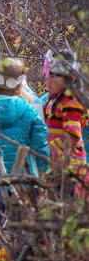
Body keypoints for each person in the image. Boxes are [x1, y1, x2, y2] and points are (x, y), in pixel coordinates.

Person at [0, 58, 49, 223]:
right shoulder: (28, 109)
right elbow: (40, 142)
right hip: (26, 176)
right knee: (26, 223)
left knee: (2, 222)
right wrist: (43, 169)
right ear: (20, 85)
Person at [42, 49, 87, 195]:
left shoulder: (71, 101)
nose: (49, 79)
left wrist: (59, 156)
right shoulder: (54, 97)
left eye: (55, 76)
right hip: (55, 162)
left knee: (65, 202)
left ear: (72, 78)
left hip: (69, 165)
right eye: (49, 74)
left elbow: (72, 136)